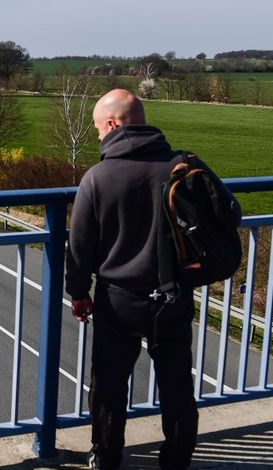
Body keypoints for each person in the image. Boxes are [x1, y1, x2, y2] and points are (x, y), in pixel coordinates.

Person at [66, 89, 199, 470]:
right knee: (177, 385)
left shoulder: (98, 178)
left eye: (96, 130)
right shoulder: (181, 168)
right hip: (173, 295)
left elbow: (79, 249)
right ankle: (176, 459)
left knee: (108, 386)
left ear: (112, 125)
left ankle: (106, 457)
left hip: (119, 299)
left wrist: (78, 292)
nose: (97, 138)